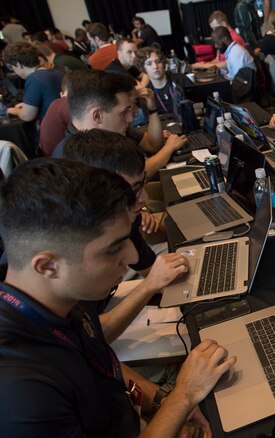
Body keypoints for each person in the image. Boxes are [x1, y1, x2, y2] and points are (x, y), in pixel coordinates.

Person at [0, 158, 236, 436]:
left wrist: (163, 402)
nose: (134, 256)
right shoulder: (21, 391)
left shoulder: (60, 297)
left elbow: (99, 359)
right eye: (113, 248)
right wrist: (182, 396)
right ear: (48, 266)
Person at [62, 129, 189, 342]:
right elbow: (89, 338)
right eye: (133, 191)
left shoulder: (124, 215)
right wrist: (149, 287)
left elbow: (150, 270)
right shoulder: (66, 249)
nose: (144, 198)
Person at [51, 70, 185, 178]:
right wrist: (169, 148)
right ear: (97, 116)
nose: (130, 118)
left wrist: (152, 109)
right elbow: (138, 175)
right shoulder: (83, 160)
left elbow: (152, 145)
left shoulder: (109, 133)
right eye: (124, 112)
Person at [2, 42, 63, 122]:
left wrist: (13, 111)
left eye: (12, 66)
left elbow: (27, 116)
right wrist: (27, 105)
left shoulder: (34, 79)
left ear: (18, 64)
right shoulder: (57, 73)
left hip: (51, 127)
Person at [135, 47, 189, 114]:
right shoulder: (147, 94)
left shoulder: (181, 79)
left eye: (158, 62)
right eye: (149, 64)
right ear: (143, 68)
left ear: (163, 63)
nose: (155, 66)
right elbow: (149, 120)